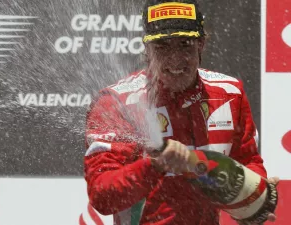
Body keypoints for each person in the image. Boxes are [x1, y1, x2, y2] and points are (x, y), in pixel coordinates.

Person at [83, 0, 279, 224]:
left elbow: (248, 161)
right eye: (163, 46)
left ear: (201, 44)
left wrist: (254, 200)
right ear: (146, 49)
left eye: (185, 44)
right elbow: (102, 196)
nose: (175, 59)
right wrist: (154, 166)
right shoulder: (116, 103)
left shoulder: (229, 93)